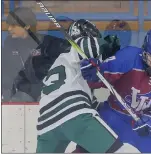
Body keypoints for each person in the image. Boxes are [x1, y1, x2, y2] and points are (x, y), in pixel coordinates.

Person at [36, 20, 140, 153]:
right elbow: (91, 46)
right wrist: (112, 43)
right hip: (73, 114)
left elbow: (84, 99)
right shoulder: (77, 48)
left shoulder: (61, 60)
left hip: (45, 124)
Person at [80, 25, 151, 153]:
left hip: (147, 125)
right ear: (144, 50)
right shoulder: (128, 57)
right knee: (85, 150)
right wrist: (93, 74)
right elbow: (100, 78)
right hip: (114, 116)